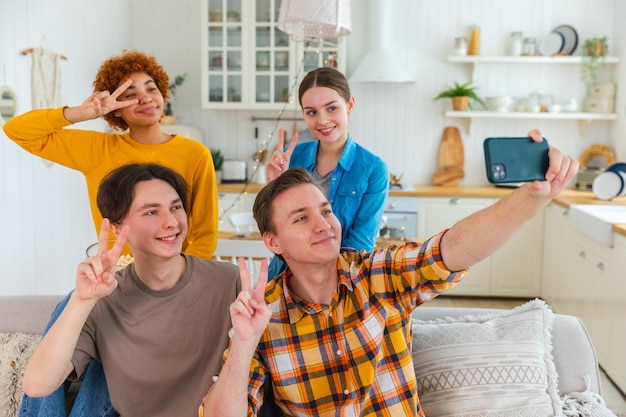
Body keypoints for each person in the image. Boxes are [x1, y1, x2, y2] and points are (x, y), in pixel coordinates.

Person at [199, 130, 579, 417]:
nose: (324, 224)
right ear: (273, 242)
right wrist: (245, 343)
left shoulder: (378, 274)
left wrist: (532, 196)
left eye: (326, 210)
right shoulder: (262, 315)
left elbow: (452, 249)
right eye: (301, 218)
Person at [21, 163, 240, 417]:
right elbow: (37, 386)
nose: (171, 222)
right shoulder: (102, 300)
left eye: (176, 207)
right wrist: (82, 300)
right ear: (116, 227)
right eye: (151, 212)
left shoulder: (227, 281)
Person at [3, 49, 218, 259]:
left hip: (176, 279)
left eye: (151, 89)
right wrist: (81, 112)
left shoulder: (195, 154)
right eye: (131, 95)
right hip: (115, 279)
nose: (146, 98)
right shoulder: (97, 149)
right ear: (115, 109)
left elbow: (205, 234)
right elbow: (17, 130)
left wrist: (183, 281)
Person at [265, 67, 389, 277]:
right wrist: (273, 187)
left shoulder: (373, 169)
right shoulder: (291, 158)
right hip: (283, 277)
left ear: (349, 105)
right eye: (312, 112)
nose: (322, 120)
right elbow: (276, 231)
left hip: (339, 283)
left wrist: (315, 279)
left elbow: (361, 243)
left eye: (331, 108)